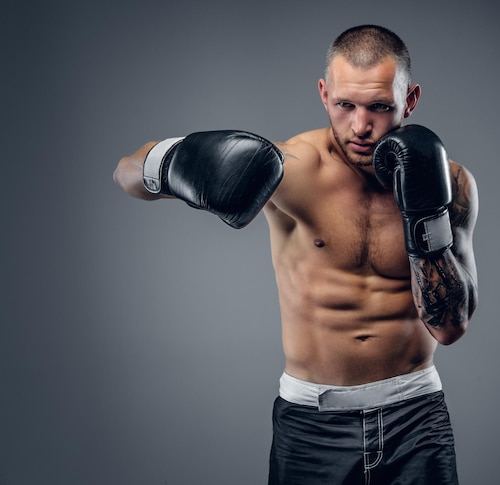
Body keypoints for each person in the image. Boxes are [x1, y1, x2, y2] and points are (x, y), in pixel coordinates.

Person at [114, 25, 478, 485]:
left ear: (410, 100)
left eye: (379, 107)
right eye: (345, 104)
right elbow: (125, 172)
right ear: (324, 94)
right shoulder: (288, 169)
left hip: (416, 418)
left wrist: (425, 216)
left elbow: (450, 327)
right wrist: (171, 163)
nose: (361, 126)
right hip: (312, 427)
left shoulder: (451, 183)